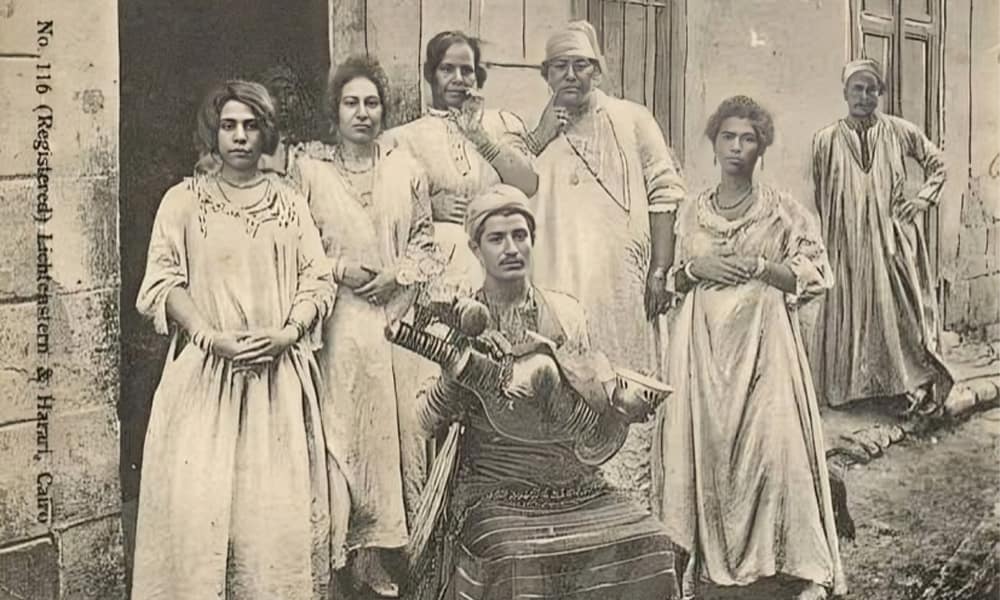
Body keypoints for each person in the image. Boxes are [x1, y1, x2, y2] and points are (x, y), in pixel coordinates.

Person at [406, 184, 680, 600]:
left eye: (520, 235)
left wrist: (617, 405)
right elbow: (424, 422)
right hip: (492, 481)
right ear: (475, 249)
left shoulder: (566, 313)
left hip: (572, 476)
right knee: (516, 557)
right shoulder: (455, 319)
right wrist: (454, 370)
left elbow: (589, 403)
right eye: (496, 239)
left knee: (652, 541)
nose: (511, 248)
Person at [131, 80, 338, 598]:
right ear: (214, 132)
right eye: (229, 126)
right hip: (206, 377)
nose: (240, 137)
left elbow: (318, 279)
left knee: (269, 520)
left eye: (250, 126)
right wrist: (208, 336)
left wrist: (288, 332)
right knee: (199, 511)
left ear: (266, 132)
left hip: (276, 381)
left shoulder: (289, 203)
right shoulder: (183, 201)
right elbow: (162, 281)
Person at [652, 96, 846, 600]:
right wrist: (694, 269)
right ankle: (700, 567)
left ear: (762, 147)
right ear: (713, 143)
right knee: (705, 452)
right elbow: (668, 282)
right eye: (728, 137)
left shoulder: (782, 210)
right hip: (701, 350)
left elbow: (816, 273)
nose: (737, 147)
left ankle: (794, 566)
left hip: (765, 347)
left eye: (748, 138)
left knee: (774, 449)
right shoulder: (691, 212)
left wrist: (763, 267)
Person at [289, 55, 446, 598]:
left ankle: (396, 552)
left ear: (385, 110)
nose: (363, 113)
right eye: (351, 103)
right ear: (335, 111)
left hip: (398, 318)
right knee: (347, 435)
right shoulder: (309, 173)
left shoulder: (406, 170)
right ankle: (348, 555)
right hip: (340, 322)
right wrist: (340, 270)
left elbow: (426, 242)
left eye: (372, 103)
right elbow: (297, 248)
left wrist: (398, 273)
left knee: (402, 435)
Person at [526, 20, 686, 496]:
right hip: (560, 283)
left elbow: (664, 191)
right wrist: (538, 138)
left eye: (581, 65)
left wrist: (660, 269)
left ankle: (632, 498)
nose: (571, 75)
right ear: (546, 74)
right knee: (569, 386)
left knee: (627, 388)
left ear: (597, 70)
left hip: (623, 283)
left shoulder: (632, 118)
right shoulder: (536, 135)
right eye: (560, 66)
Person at [810, 58, 952, 415]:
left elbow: (938, 164)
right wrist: (836, 237)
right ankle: (853, 390)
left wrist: (921, 200)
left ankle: (905, 385)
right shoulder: (825, 140)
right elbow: (822, 194)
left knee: (902, 311)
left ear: (880, 94)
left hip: (892, 239)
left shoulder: (898, 131)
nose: (864, 96)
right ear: (845, 93)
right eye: (857, 89)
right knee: (852, 311)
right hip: (847, 243)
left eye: (871, 89)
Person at [387, 30, 537, 295]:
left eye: (466, 70)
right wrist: (428, 208)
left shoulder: (500, 124)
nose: (458, 79)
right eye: (447, 69)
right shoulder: (403, 139)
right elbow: (386, 213)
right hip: (441, 271)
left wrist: (481, 138)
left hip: (501, 262)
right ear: (430, 74)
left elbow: (528, 184)